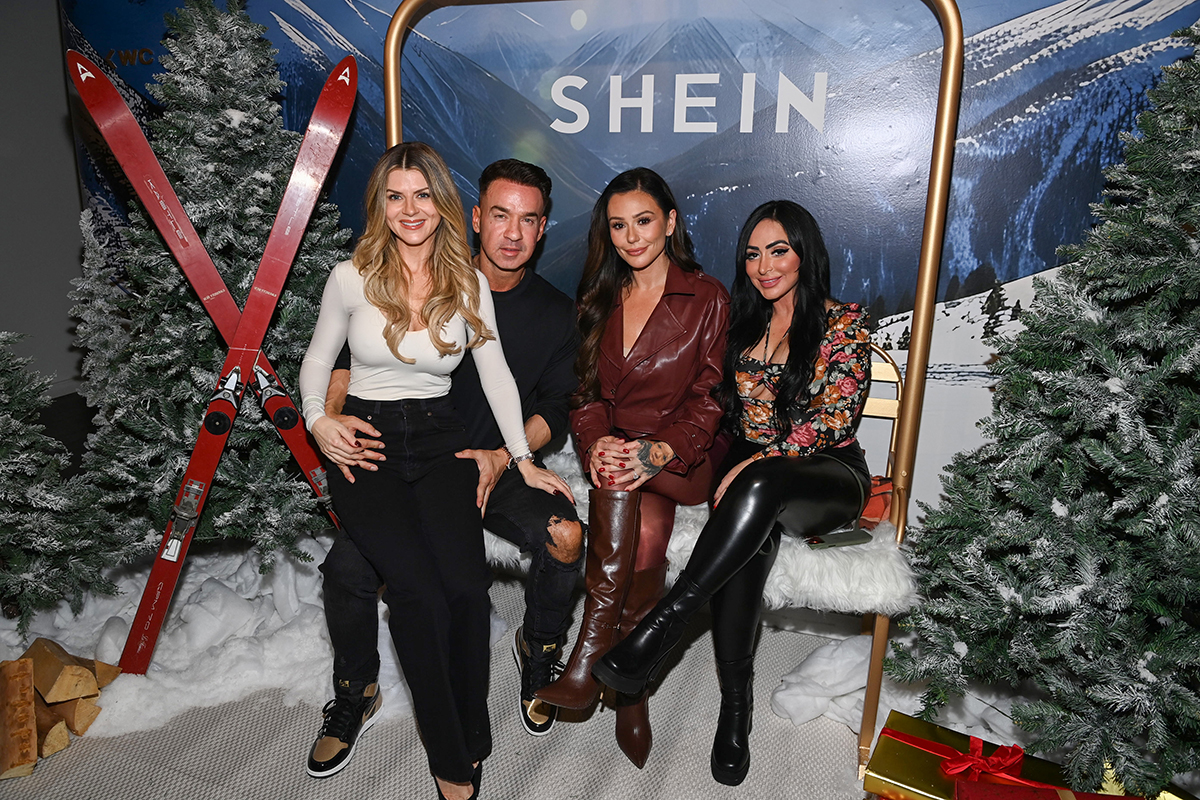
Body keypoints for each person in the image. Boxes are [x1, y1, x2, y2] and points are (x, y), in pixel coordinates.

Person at [298, 143, 571, 800]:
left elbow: (498, 377)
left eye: (422, 195)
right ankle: (452, 761)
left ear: (443, 204)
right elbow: (318, 360)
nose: (410, 209)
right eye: (395, 196)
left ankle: (473, 731)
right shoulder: (350, 277)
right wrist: (319, 420)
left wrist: (523, 458)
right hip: (368, 441)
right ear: (380, 206)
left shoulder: (465, 284)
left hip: (441, 438)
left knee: (468, 591)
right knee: (417, 593)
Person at [591, 200, 872, 786]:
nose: (764, 267)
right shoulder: (743, 326)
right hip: (757, 485)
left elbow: (834, 421)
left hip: (827, 476)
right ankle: (735, 708)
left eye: (779, 251)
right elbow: (715, 407)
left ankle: (662, 626)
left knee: (758, 483)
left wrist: (752, 463)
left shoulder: (845, 322)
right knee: (747, 540)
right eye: (752, 254)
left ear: (805, 254)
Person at [534, 167, 729, 769]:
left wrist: (655, 451)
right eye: (618, 226)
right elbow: (585, 394)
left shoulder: (707, 298)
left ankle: (588, 656)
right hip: (618, 455)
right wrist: (596, 442)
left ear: (670, 223)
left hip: (682, 455)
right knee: (641, 528)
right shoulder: (599, 298)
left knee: (623, 481)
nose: (631, 237)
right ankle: (629, 680)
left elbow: (711, 399)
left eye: (643, 221)